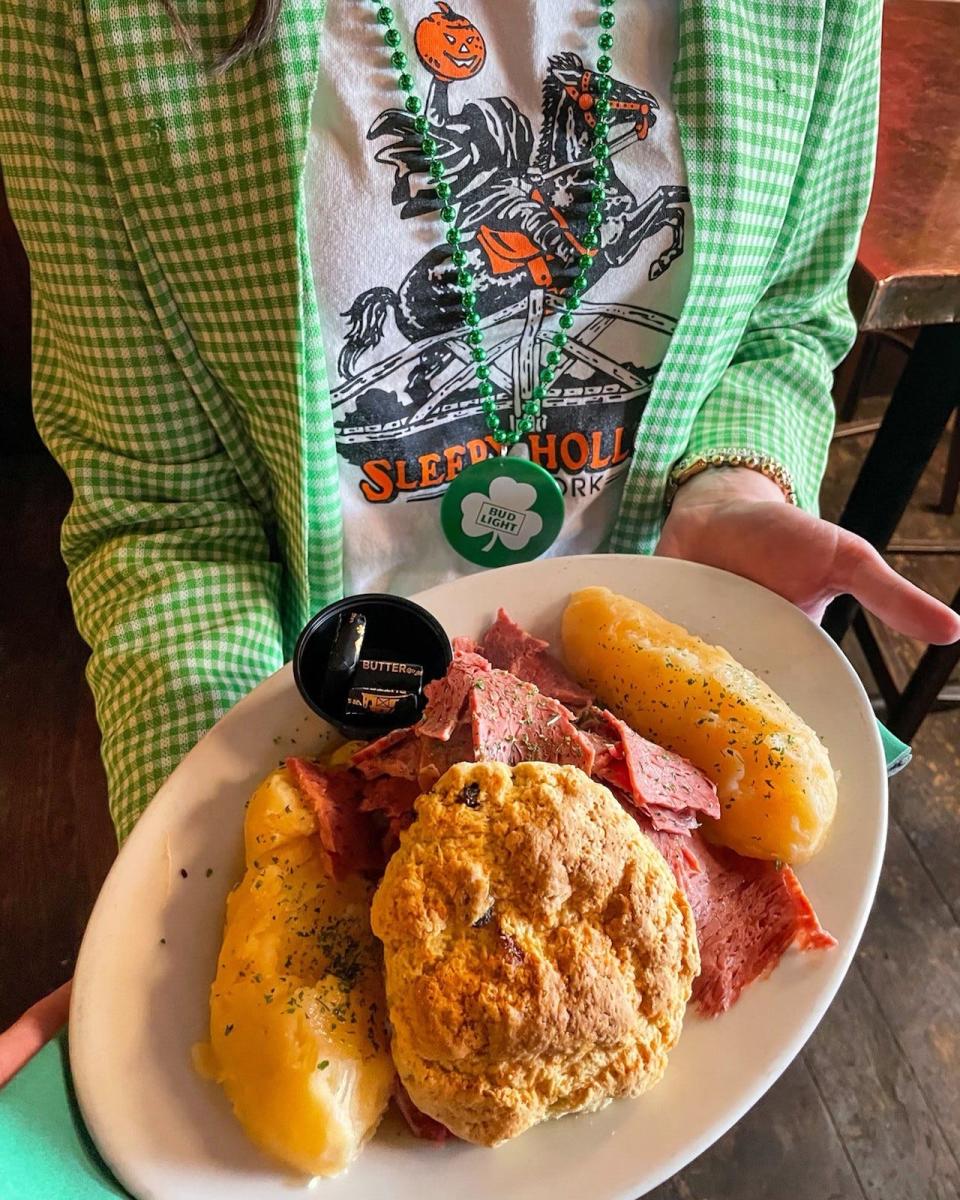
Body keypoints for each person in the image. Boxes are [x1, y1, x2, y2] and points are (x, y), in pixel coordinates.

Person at [1, 0, 957, 1076]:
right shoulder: (81, 22)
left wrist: (731, 482)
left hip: (654, 773)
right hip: (309, 731)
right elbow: (164, 510)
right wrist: (216, 873)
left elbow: (785, 319)